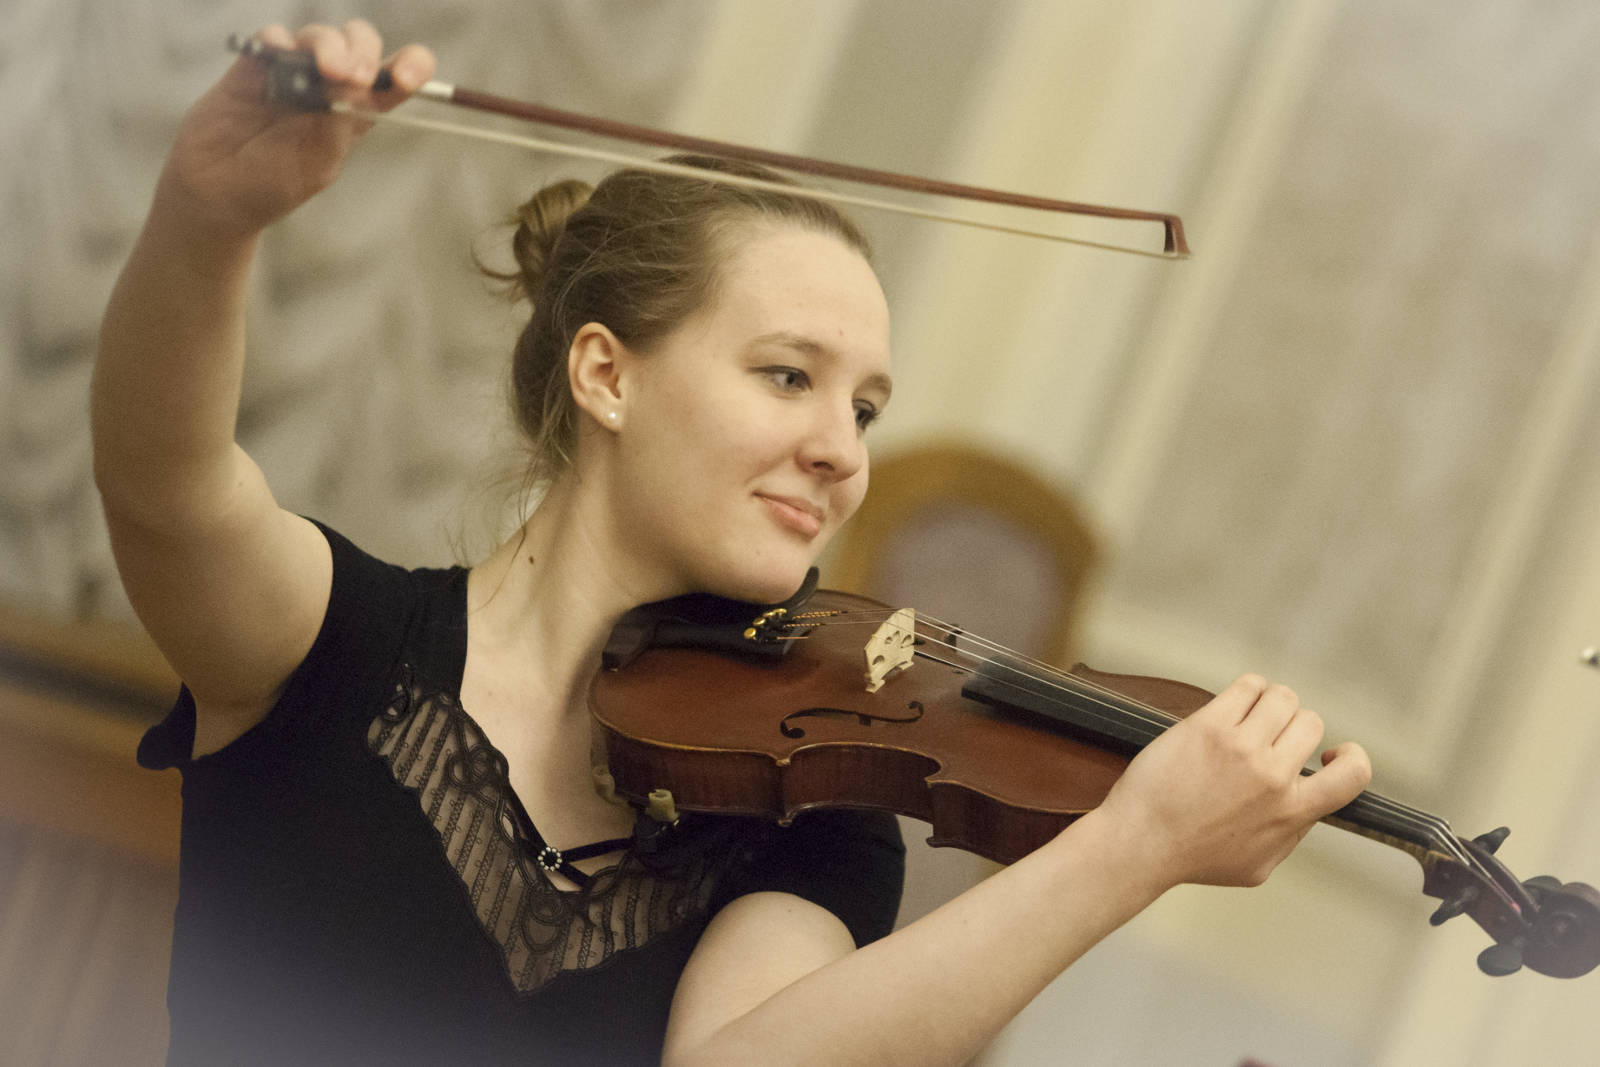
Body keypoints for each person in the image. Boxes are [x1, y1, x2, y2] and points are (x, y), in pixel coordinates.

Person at [92, 20, 1372, 1067]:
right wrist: (208, 220)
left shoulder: (806, 814)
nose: (842, 451)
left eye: (864, 409)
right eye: (787, 376)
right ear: (607, 374)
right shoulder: (331, 645)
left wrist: (1134, 847)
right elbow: (164, 477)